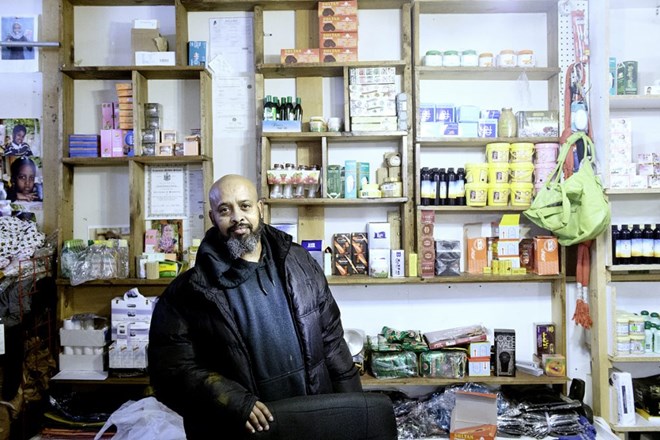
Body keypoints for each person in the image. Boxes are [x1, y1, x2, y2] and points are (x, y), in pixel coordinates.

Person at [148, 174, 396, 440]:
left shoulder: (299, 262)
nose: (237, 217)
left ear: (260, 209)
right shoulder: (188, 292)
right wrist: (232, 401)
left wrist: (354, 414)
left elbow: (332, 342)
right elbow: (170, 372)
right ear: (212, 217)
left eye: (245, 206)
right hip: (240, 430)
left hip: (311, 421)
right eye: (225, 210)